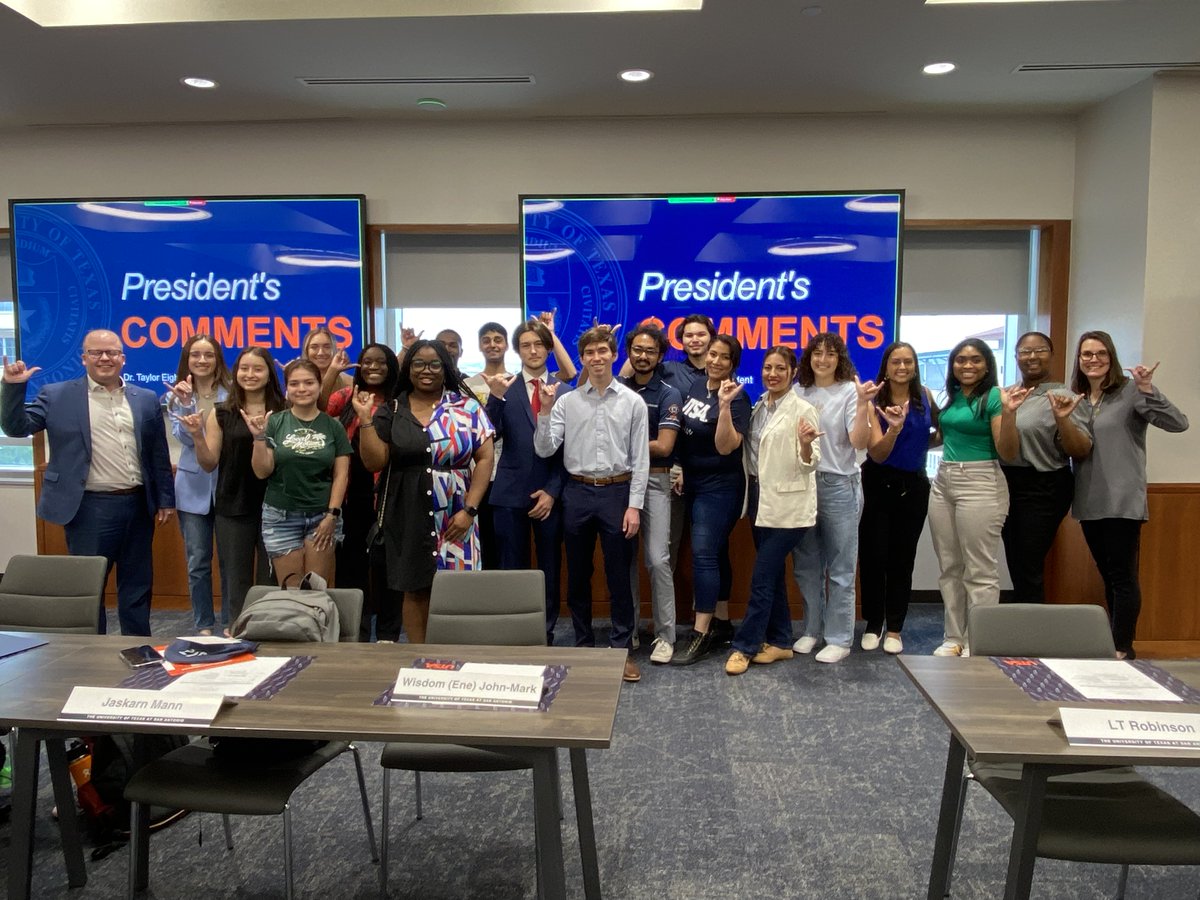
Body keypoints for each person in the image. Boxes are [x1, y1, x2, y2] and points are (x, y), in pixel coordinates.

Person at [0, 330, 175, 635]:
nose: (104, 358)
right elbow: (17, 428)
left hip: (137, 504)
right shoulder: (56, 395)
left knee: (137, 584)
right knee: (90, 586)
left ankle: (137, 645)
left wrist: (165, 499)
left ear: (123, 358)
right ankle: (92, 649)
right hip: (89, 507)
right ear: (84, 359)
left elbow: (158, 454)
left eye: (111, 352)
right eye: (96, 353)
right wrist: (13, 388)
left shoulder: (145, 399)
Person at [357, 339, 495, 643]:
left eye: (435, 364)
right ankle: (420, 659)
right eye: (418, 363)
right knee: (415, 588)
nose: (426, 370)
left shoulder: (467, 407)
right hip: (407, 511)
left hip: (458, 513)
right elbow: (374, 461)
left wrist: (470, 509)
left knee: (457, 589)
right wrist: (366, 420)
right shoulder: (393, 408)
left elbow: (485, 458)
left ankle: (459, 658)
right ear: (408, 369)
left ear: (446, 369)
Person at [534, 325, 648, 682]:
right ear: (582, 359)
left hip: (617, 492)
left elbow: (640, 458)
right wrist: (545, 410)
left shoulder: (633, 402)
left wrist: (634, 506)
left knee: (619, 576)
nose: (596, 359)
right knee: (579, 575)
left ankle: (621, 651)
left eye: (603, 352)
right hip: (578, 493)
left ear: (614, 356)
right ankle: (583, 645)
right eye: (589, 354)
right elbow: (545, 448)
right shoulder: (567, 401)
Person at [1070, 330, 1188, 659]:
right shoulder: (1076, 398)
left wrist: (1149, 389)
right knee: (1107, 574)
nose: (1093, 360)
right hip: (1089, 502)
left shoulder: (1131, 392)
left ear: (1112, 357)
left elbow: (1178, 423)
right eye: (1086, 354)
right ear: (1079, 361)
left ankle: (1123, 646)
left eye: (1100, 353)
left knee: (1123, 575)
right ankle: (1113, 641)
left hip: (1123, 501)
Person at [726, 347, 821, 675]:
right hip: (758, 500)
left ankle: (746, 645)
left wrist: (807, 444)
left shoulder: (804, 409)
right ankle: (780, 641)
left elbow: (812, 463)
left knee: (762, 576)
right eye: (768, 367)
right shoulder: (757, 407)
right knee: (773, 574)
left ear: (793, 372)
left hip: (789, 506)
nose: (773, 374)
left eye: (781, 368)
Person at [927, 338, 1024, 657]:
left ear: (987, 365)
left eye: (975, 360)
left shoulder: (995, 397)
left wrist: (1009, 415)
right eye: (960, 360)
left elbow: (1007, 451)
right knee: (950, 566)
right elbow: (941, 438)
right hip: (944, 480)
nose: (967, 365)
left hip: (981, 481)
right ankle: (954, 637)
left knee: (979, 568)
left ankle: (979, 640)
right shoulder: (952, 399)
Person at [180, 346, 285, 623]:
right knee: (236, 580)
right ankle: (237, 637)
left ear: (269, 374)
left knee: (270, 581)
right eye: (244, 368)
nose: (250, 374)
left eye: (258, 368)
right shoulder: (222, 413)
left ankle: (269, 636)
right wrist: (197, 436)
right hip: (233, 506)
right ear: (236, 372)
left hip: (277, 508)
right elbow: (209, 462)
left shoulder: (285, 410)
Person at [790, 332, 876, 663]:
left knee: (841, 566)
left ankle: (839, 637)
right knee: (807, 564)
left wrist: (865, 404)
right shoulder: (798, 391)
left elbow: (858, 442)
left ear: (840, 359)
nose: (823, 359)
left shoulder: (849, 392)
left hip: (838, 483)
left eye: (830, 354)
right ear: (808, 358)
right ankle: (812, 630)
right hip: (803, 485)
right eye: (817, 353)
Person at [483, 320, 570, 644]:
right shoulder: (506, 387)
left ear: (548, 348)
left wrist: (553, 491)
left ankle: (543, 633)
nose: (532, 351)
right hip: (508, 494)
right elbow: (489, 435)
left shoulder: (566, 392)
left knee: (549, 567)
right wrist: (495, 398)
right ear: (517, 350)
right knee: (511, 570)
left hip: (550, 493)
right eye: (525, 345)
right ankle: (513, 634)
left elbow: (571, 451)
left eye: (538, 344)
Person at [672, 334, 751, 666]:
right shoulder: (694, 386)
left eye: (724, 357)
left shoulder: (737, 396)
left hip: (722, 486)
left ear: (733, 364)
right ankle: (721, 621)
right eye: (713, 354)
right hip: (694, 482)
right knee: (715, 552)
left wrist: (722, 406)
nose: (716, 361)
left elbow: (725, 446)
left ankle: (700, 631)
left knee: (703, 553)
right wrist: (680, 467)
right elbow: (685, 435)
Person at [858, 342, 940, 655]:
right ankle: (873, 623)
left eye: (908, 361)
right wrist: (894, 430)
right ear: (886, 366)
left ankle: (894, 627)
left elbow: (941, 432)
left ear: (915, 366)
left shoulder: (926, 396)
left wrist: (919, 446)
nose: (902, 367)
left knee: (902, 558)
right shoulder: (874, 399)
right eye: (896, 361)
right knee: (874, 555)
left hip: (914, 486)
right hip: (878, 483)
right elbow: (876, 452)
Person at [1000, 332, 1093, 604]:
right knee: (1017, 561)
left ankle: (1032, 640)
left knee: (1028, 562)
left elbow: (1081, 449)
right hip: (1008, 485)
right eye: (1024, 352)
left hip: (1044, 486)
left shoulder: (1064, 397)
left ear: (1052, 355)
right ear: (1016, 357)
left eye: (1039, 350)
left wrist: (1062, 419)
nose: (1031, 357)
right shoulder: (1008, 394)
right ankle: (1024, 630)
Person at [244, 359, 351, 587]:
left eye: (308, 382)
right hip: (281, 517)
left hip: (322, 517)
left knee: (316, 590)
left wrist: (332, 515)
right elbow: (262, 472)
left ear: (320, 386)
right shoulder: (274, 422)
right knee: (291, 592)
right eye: (294, 384)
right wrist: (258, 438)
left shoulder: (334, 427)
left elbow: (341, 475)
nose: (302, 389)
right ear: (287, 389)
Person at [326, 344, 402, 641]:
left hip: (389, 498)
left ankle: (387, 635)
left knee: (387, 572)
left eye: (380, 362)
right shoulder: (345, 398)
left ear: (390, 366)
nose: (373, 367)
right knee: (351, 571)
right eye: (367, 361)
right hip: (351, 497)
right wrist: (333, 371)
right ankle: (354, 635)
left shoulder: (399, 401)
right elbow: (319, 408)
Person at [621, 324, 682, 664]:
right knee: (624, 560)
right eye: (637, 350)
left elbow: (664, 445)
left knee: (657, 559)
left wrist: (623, 448)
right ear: (629, 353)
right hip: (622, 483)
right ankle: (627, 631)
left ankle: (665, 636)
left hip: (656, 483)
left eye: (650, 351)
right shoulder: (619, 390)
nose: (643, 356)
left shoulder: (668, 393)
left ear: (660, 356)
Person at [164, 334, 231, 635]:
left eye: (208, 355)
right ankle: (204, 623)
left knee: (231, 562)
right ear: (187, 359)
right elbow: (181, 439)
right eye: (195, 355)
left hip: (228, 485)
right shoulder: (176, 395)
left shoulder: (232, 392)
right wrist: (187, 403)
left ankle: (231, 621)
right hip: (192, 490)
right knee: (198, 561)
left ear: (217, 359)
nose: (202, 360)